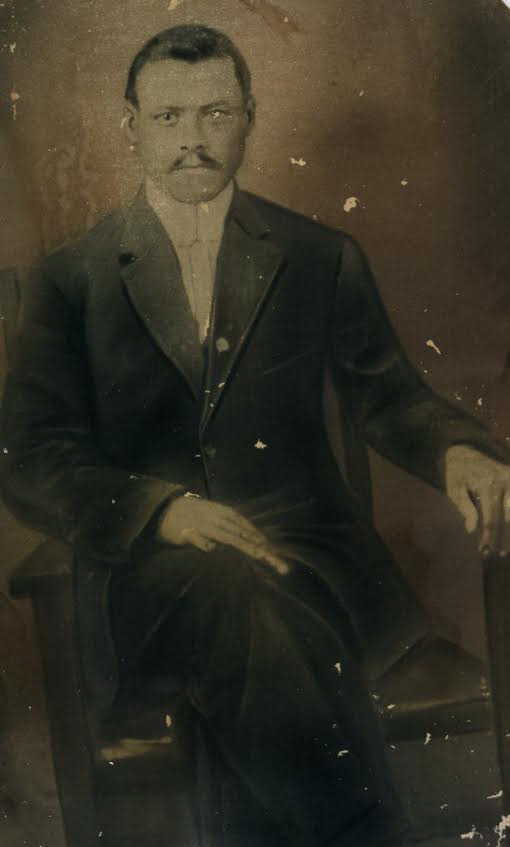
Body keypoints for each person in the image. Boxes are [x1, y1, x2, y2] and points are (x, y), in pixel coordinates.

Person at [2, 24, 510, 847]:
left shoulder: (319, 256)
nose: (193, 140)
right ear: (131, 126)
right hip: (152, 587)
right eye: (169, 118)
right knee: (233, 597)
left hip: (312, 568)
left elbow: (390, 397)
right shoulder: (72, 279)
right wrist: (162, 510)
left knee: (260, 628)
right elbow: (28, 458)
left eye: (215, 113)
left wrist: (459, 450)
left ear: (249, 118)